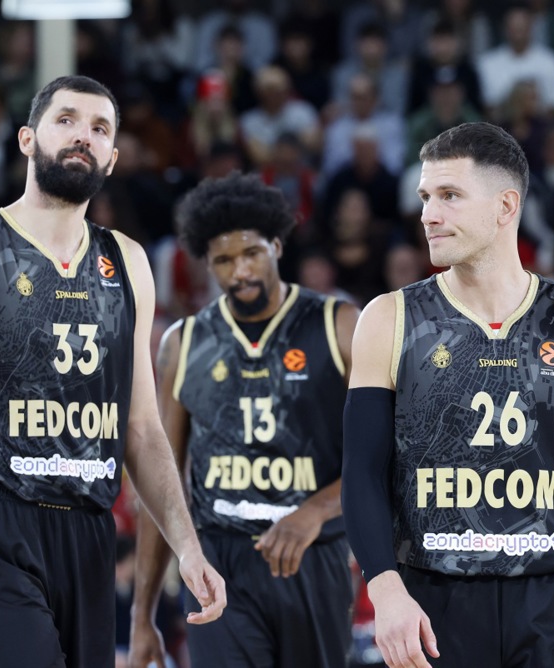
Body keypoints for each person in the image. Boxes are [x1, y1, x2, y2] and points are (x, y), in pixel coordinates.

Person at [0, 75, 226, 668]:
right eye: (67, 120)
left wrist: (187, 547)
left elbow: (140, 428)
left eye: (100, 128)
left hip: (88, 531)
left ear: (112, 158)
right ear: (28, 139)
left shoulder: (128, 262)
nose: (83, 135)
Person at [342, 121, 554, 668]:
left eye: (449, 196)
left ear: (506, 206)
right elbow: (362, 472)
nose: (428, 214)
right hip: (435, 599)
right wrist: (385, 590)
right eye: (425, 197)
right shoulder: (388, 317)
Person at [129, 172, 359, 668]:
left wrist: (314, 512)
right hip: (220, 561)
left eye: (252, 253)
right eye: (224, 260)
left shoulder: (337, 325)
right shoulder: (184, 342)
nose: (240, 271)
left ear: (277, 245)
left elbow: (385, 454)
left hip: (311, 555)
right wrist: (142, 614)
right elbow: (161, 479)